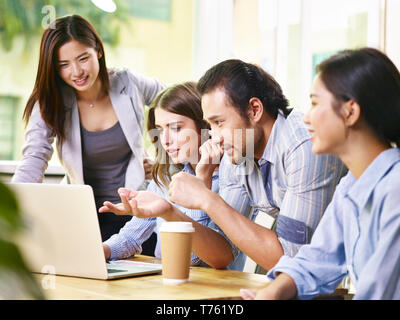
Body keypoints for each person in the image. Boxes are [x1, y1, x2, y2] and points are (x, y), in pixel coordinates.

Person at [100, 59, 347, 271]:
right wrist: (171, 210)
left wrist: (206, 198)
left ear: (254, 109)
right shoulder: (238, 152)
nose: (213, 136)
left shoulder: (302, 145)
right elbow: (223, 251)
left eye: (219, 123)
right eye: (211, 124)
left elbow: (290, 258)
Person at [241, 47, 400, 300]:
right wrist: (276, 291)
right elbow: (317, 259)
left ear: (350, 111)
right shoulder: (351, 185)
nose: (306, 118)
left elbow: (378, 293)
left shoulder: (395, 190)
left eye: (315, 103)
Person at [11, 15, 164, 248]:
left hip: (135, 214)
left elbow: (179, 104)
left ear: (98, 51)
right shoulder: (51, 101)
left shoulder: (127, 82)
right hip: (85, 219)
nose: (76, 72)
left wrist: (165, 162)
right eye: (63, 65)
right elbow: (34, 158)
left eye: (83, 58)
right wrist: (9, 210)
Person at [100, 82, 231, 266]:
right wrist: (98, 251)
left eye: (176, 128)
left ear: (204, 125)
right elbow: (130, 238)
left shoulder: (231, 179)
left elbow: (190, 260)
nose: (165, 140)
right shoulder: (167, 176)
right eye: (161, 130)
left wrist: (201, 183)